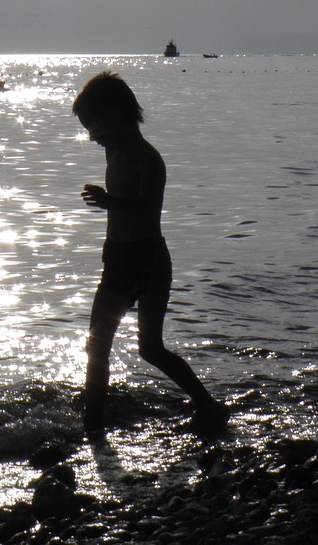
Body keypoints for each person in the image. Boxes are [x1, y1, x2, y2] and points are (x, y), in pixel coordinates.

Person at [72, 71, 227, 436]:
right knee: (97, 348)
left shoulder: (148, 159)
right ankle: (93, 427)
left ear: (117, 115)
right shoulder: (115, 150)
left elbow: (148, 209)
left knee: (151, 348)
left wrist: (110, 202)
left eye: (94, 128)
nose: (92, 138)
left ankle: (208, 406)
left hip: (148, 260)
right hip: (118, 258)